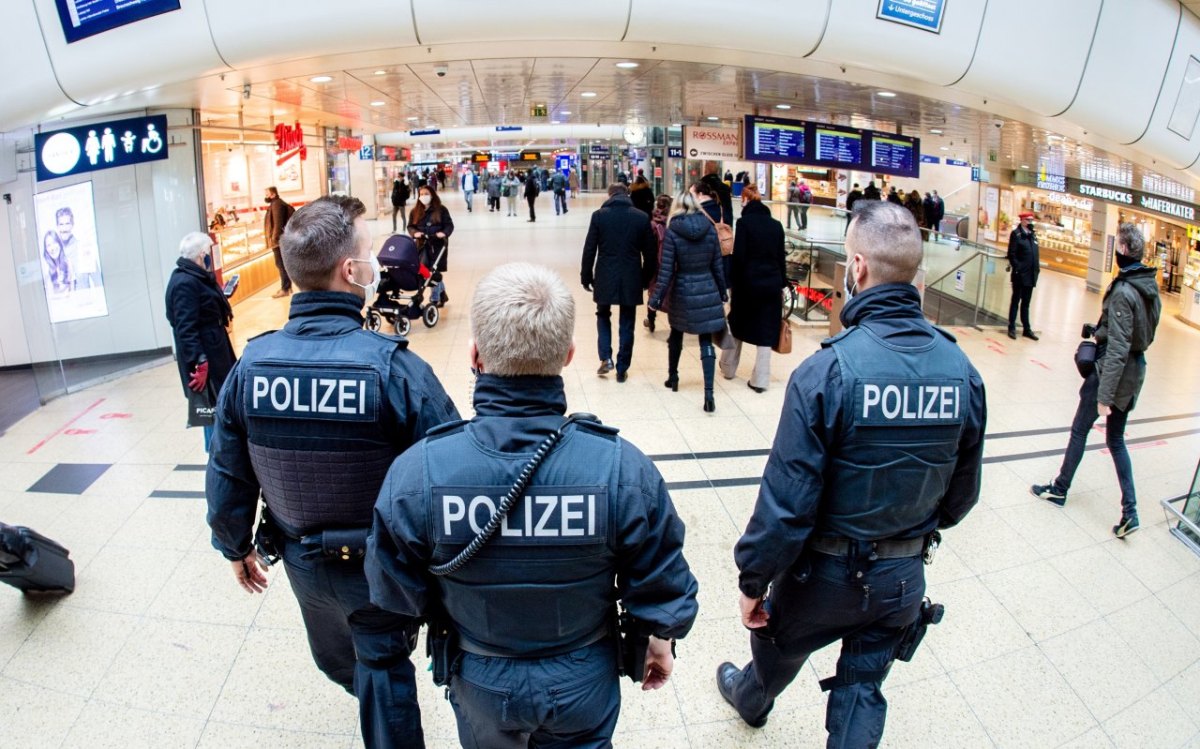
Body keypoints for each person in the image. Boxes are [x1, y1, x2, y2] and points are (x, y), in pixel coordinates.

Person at [365, 261, 699, 749]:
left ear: (475, 355)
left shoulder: (419, 472)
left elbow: (395, 592)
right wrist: (659, 637)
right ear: (568, 355)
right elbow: (664, 582)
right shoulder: (622, 469)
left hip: (481, 674)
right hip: (584, 672)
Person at [715, 200, 986, 746]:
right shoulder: (962, 372)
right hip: (903, 578)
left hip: (824, 577)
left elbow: (786, 504)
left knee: (776, 649)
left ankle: (752, 698)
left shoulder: (827, 372)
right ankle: (758, 695)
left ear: (856, 268)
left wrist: (753, 581)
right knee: (863, 686)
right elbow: (961, 498)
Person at [206, 196, 460, 749]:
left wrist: (234, 546)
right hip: (381, 567)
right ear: (350, 272)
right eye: (368, 254)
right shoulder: (395, 369)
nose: (374, 265)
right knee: (379, 660)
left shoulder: (252, 367)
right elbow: (452, 472)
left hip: (301, 562)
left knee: (343, 660)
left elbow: (228, 469)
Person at [1032, 223, 1161, 538]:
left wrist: (1104, 396)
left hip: (1111, 374)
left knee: (1080, 430)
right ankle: (1130, 512)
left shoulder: (1124, 291)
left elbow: (1117, 350)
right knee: (1116, 441)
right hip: (1135, 373)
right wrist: (1099, 329)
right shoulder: (1148, 286)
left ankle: (1060, 489)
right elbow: (1139, 334)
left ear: (1124, 251)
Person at [648, 189, 728, 412]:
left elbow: (666, 271)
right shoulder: (710, 229)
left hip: (682, 290)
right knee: (705, 340)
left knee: (676, 334)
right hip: (708, 288)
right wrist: (722, 291)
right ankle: (709, 394)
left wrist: (656, 299)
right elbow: (717, 266)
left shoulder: (674, 231)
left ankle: (673, 377)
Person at [164, 232, 236, 451]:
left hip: (214, 348)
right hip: (207, 357)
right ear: (203, 255)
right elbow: (185, 328)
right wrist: (200, 361)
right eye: (210, 252)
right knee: (210, 405)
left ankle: (221, 450)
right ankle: (216, 453)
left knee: (218, 403)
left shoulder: (195, 276)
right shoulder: (185, 282)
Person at [581, 183, 657, 382]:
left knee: (603, 313)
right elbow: (650, 254)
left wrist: (586, 276)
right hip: (631, 274)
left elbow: (590, 249)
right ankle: (622, 367)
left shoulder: (599, 216)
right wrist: (645, 278)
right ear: (627, 194)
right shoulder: (641, 217)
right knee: (627, 320)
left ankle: (606, 357)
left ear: (609, 194)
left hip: (605, 273)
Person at [721, 185, 786, 393]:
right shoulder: (776, 226)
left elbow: (739, 257)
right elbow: (780, 258)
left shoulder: (744, 223)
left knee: (737, 325)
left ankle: (728, 368)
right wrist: (782, 283)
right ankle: (760, 380)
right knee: (766, 332)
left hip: (747, 284)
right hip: (771, 285)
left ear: (747, 201)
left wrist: (732, 284)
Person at [407, 185, 453, 307]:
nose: (423, 196)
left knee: (433, 271)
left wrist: (443, 233)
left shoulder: (441, 210)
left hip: (437, 246)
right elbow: (410, 226)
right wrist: (414, 233)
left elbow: (449, 225)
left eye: (426, 194)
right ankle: (442, 294)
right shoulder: (415, 211)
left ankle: (435, 298)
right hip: (422, 245)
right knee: (427, 271)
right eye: (421, 194)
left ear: (432, 195)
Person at [1006, 211, 1040, 340]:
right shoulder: (1016, 234)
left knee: (1026, 303)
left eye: (1031, 220)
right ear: (1022, 220)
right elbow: (1012, 254)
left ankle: (1027, 328)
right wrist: (1018, 268)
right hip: (1020, 275)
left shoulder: (1033, 235)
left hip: (1031, 275)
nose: (1030, 222)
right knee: (1016, 301)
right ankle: (1012, 327)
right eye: (1028, 220)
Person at [643, 194, 673, 334]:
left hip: (656, 264)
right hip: (671, 263)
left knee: (654, 292)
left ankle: (651, 318)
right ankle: (674, 322)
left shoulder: (652, 224)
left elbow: (648, 247)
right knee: (672, 291)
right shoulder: (674, 223)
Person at [263, 186, 295, 298]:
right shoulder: (276, 203)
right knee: (282, 264)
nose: (265, 196)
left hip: (278, 241)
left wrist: (274, 239)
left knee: (280, 264)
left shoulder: (276, 204)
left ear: (272, 194)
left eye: (266, 194)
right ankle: (287, 287)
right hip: (279, 240)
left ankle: (285, 288)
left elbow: (278, 223)